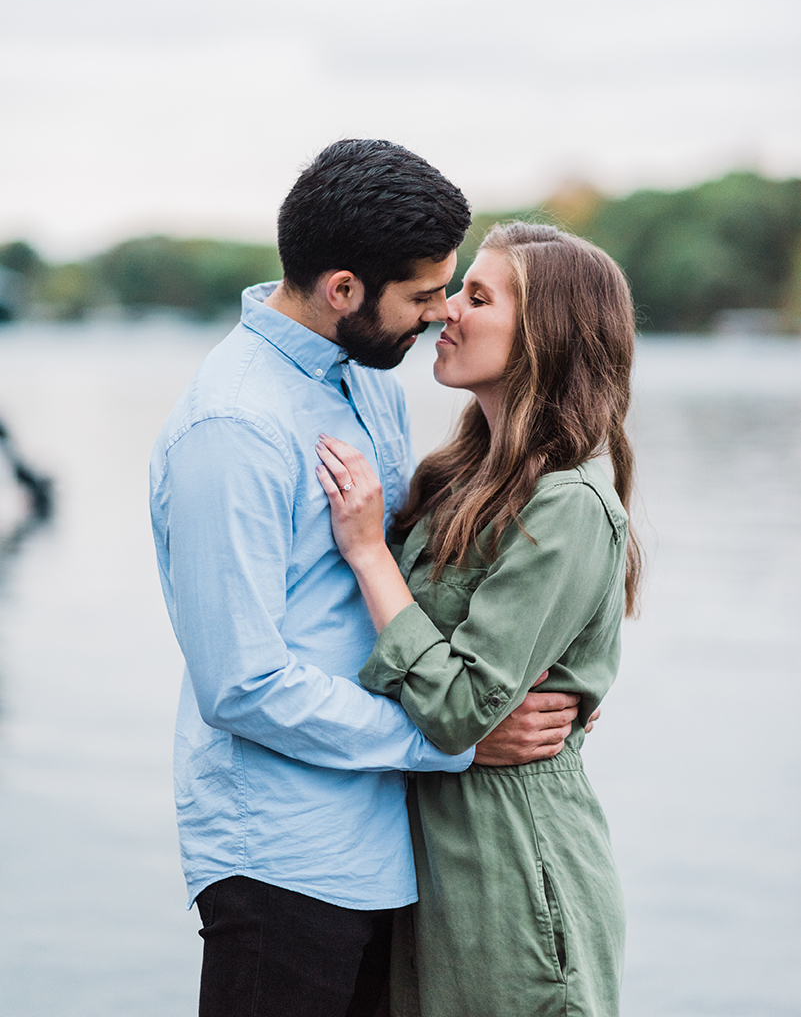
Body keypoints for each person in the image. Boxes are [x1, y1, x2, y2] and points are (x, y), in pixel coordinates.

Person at [149, 142, 585, 1017]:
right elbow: (242, 684)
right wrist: (453, 743)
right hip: (281, 859)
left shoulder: (367, 377)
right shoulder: (231, 427)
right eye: (423, 296)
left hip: (387, 844)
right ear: (342, 288)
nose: (438, 315)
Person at [315, 220, 640, 1017]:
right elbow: (445, 695)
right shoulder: (462, 478)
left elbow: (459, 707)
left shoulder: (566, 503)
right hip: (429, 859)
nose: (444, 310)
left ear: (543, 336)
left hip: (511, 867)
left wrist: (368, 553)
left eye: (477, 296)